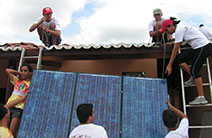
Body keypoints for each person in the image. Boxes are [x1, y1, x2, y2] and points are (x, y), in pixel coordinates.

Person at [161, 18, 212, 104]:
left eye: (166, 30)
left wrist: (169, 65)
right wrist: (173, 43)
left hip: (203, 47)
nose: (167, 32)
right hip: (196, 48)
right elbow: (181, 42)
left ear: (171, 26)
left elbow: (176, 49)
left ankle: (202, 97)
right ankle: (193, 77)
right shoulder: (180, 29)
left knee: (195, 70)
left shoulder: (179, 30)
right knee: (179, 59)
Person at [5, 64, 33, 136]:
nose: (23, 72)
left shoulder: (31, 84)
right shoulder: (17, 81)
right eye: (22, 70)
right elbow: (7, 71)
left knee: (11, 133)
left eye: (25, 71)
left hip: (18, 109)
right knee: (4, 130)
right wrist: (19, 73)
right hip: (9, 107)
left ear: (30, 73)